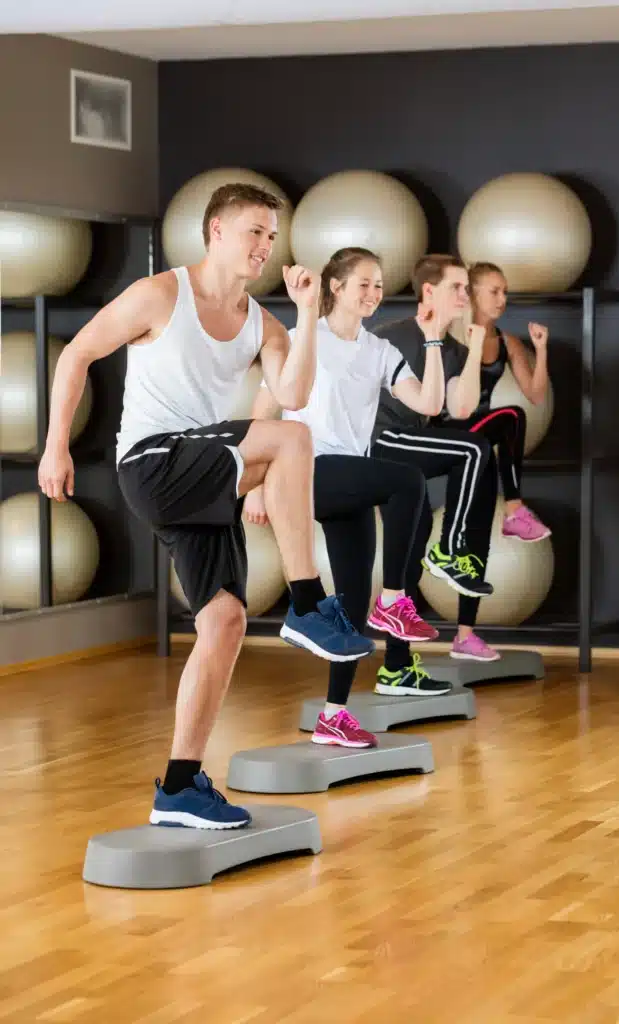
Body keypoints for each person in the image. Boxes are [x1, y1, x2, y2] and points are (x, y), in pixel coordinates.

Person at [37, 182, 374, 830]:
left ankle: (180, 786)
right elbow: (77, 353)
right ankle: (307, 602)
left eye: (272, 237)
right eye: (254, 231)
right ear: (215, 231)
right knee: (289, 441)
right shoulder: (161, 295)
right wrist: (56, 447)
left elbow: (295, 390)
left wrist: (305, 313)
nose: (265, 246)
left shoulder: (258, 320)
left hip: (198, 474)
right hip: (152, 462)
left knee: (224, 622)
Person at [249, 246, 457, 750]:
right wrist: (256, 484)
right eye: (363, 283)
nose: (374, 293)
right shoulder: (304, 337)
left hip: (349, 480)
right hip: (306, 473)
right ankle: (396, 601)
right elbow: (264, 408)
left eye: (379, 284)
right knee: (407, 479)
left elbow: (430, 404)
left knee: (348, 609)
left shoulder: (380, 350)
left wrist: (431, 340)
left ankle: (334, 715)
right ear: (335, 288)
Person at [369, 253, 500, 676]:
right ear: (429, 291)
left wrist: (477, 345)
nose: (466, 295)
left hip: (409, 452)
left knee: (408, 550)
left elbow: (460, 408)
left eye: (467, 288)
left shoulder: (458, 349)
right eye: (457, 288)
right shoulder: (388, 337)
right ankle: (452, 549)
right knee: (473, 449)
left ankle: (397, 665)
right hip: (380, 442)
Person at [427, 260, 553, 663]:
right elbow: (453, 407)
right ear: (472, 294)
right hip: (445, 434)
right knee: (511, 417)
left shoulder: (507, 340)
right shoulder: (449, 336)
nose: (502, 299)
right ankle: (515, 507)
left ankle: (465, 635)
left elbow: (535, 393)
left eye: (504, 292)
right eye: (493, 291)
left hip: (477, 443)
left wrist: (541, 348)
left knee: (475, 534)